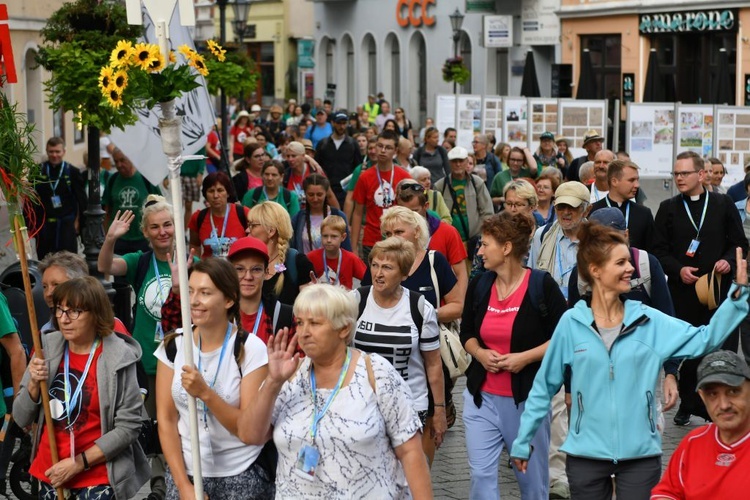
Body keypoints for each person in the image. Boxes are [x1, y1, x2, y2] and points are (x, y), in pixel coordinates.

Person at [511, 223, 750, 500]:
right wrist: (523, 439)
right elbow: (543, 386)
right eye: (621, 262)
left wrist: (738, 296)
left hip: (640, 456)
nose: (631, 269)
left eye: (630, 261)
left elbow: (705, 338)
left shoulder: (648, 320)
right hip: (585, 455)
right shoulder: (571, 323)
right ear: (596, 270)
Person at [237, 284, 432, 497]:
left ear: (344, 329)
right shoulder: (288, 375)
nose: (304, 332)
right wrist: (273, 382)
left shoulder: (375, 373)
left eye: (315, 323)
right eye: (300, 323)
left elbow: (411, 451)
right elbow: (250, 435)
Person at [462, 212, 567, 500]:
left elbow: (566, 337)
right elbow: (466, 333)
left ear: (506, 248)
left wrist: (525, 358)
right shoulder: (480, 284)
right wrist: (480, 353)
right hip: (480, 398)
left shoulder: (541, 286)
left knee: (531, 483)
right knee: (481, 476)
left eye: (485, 245)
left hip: (526, 402)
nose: (480, 251)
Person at [14, 277, 150, 499]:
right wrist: (32, 386)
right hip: (50, 473)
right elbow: (20, 418)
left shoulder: (118, 357)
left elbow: (128, 427)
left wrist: (79, 463)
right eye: (60, 310)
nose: (64, 319)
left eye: (74, 311)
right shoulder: (46, 348)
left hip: (97, 478)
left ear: (96, 314)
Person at [155, 258, 274, 499]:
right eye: (190, 291)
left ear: (229, 299)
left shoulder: (250, 349)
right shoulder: (174, 346)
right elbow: (166, 419)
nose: (194, 300)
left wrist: (205, 393)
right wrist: (183, 485)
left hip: (241, 473)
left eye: (205, 293)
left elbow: (247, 429)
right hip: (187, 473)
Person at [653, 151, 748, 426]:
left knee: (720, 348)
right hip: (685, 293)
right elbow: (658, 250)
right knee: (689, 351)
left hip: (719, 293)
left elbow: (739, 242)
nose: (679, 178)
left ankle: (716, 405)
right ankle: (688, 401)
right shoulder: (668, 208)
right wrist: (677, 269)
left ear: (701, 175)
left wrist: (728, 261)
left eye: (684, 173)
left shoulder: (722, 203)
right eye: (676, 174)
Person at [354, 237, 447, 466]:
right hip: (362, 406)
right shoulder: (356, 300)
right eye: (374, 265)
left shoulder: (419, 307)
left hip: (409, 407)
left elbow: (433, 364)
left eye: (387, 267)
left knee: (407, 480)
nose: (378, 273)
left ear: (404, 274)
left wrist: (440, 411)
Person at [651, 350, 750, 499]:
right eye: (713, 394)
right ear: (702, 397)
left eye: (733, 391)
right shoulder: (693, 442)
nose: (723, 405)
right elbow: (668, 492)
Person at [396, 180, 468, 294]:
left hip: (441, 305)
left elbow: (461, 274)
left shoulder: (448, 232)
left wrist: (459, 304)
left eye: (414, 211)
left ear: (426, 206)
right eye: (404, 212)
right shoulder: (394, 234)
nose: (409, 217)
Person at [351, 130, 412, 261]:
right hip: (372, 241)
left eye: (388, 147)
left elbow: (412, 212)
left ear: (395, 150)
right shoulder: (365, 177)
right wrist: (354, 247)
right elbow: (357, 213)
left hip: (398, 241)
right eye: (380, 146)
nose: (383, 150)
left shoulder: (405, 177)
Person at [30, 137, 87, 260]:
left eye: (57, 151)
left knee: (68, 262)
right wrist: (32, 226)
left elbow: (81, 201)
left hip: (66, 226)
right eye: (51, 152)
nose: (54, 155)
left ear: (64, 152)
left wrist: (79, 223)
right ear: (47, 151)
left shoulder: (72, 172)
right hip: (44, 227)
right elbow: (30, 199)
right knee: (45, 262)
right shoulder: (37, 171)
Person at [248, 201, 314, 305]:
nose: (247, 230)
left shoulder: (298, 263)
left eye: (253, 225)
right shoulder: (246, 262)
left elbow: (307, 309)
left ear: (271, 231)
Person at [434, 146, 494, 256]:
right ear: (449, 163)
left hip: (473, 241)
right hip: (449, 241)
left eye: (461, 161)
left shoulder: (477, 183)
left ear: (467, 161)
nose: (458, 164)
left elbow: (487, 212)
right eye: (454, 161)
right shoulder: (440, 186)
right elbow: (435, 216)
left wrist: (480, 236)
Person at [103, 147, 162, 256]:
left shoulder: (146, 179)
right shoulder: (112, 180)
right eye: (116, 161)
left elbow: (160, 208)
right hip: (119, 238)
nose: (119, 165)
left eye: (122, 160)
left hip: (142, 238)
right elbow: (107, 211)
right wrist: (107, 236)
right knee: (120, 271)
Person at [590, 159, 655, 252]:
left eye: (637, 180)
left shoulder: (644, 214)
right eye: (631, 180)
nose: (637, 185)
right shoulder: (594, 211)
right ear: (614, 181)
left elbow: (652, 251)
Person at [189, 172, 250, 258]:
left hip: (236, 270)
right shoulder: (198, 217)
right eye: (211, 191)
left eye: (220, 190)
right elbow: (194, 246)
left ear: (228, 193)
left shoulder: (243, 213)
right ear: (205, 195)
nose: (216, 195)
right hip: (209, 270)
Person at [291, 174, 351, 254]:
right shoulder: (298, 218)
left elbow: (346, 248)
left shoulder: (338, 215)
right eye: (311, 195)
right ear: (305, 194)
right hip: (306, 264)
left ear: (326, 193)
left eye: (319, 195)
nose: (315, 199)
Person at [315, 110, 362, 208]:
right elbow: (317, 166)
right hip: (327, 189)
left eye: (344, 123)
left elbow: (358, 168)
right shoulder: (323, 144)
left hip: (346, 191)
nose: (342, 126)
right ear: (332, 123)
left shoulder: (352, 144)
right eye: (339, 123)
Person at [307, 215, 366, 290]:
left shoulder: (351, 258)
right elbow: (302, 282)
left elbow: (368, 280)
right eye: (325, 236)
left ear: (343, 237)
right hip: (319, 300)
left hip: (343, 300)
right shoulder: (311, 257)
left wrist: (358, 295)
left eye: (334, 236)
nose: (328, 240)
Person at [282, 141, 339, 211]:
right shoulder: (286, 174)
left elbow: (329, 196)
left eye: (294, 156)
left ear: (303, 156)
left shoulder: (315, 171)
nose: (290, 159)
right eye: (288, 156)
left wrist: (339, 216)